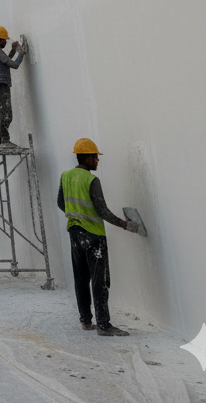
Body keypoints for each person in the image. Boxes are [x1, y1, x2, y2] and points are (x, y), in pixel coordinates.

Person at [57, 138, 137, 336]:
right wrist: (124, 224)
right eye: (96, 157)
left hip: (74, 233)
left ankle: (86, 321)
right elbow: (102, 210)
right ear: (87, 157)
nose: (97, 161)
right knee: (99, 280)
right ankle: (103, 325)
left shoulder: (65, 176)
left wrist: (75, 215)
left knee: (81, 279)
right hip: (93, 236)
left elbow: (61, 203)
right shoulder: (91, 180)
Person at [0, 25, 27, 146]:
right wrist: (21, 51)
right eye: (3, 39)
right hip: (1, 84)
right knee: (6, 113)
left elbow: (5, 61)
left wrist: (13, 51)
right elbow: (14, 65)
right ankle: (5, 140)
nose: (5, 42)